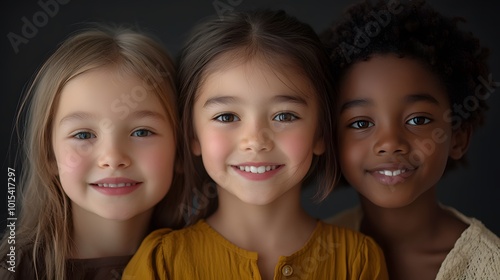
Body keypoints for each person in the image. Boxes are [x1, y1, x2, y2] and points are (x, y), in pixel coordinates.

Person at [123, 9, 388, 280]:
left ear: (320, 133)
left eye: (284, 116)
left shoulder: (357, 259)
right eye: (226, 116)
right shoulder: (162, 262)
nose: (256, 141)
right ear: (192, 134)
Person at [320, 0, 500, 279]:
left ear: (458, 137)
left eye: (418, 120)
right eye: (360, 123)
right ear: (332, 140)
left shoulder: (491, 267)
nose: (390, 143)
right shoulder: (313, 255)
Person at [0, 25, 187, 280]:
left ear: (180, 150)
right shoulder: (12, 272)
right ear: (49, 155)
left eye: (142, 132)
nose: (112, 158)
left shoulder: (205, 265)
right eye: (83, 135)